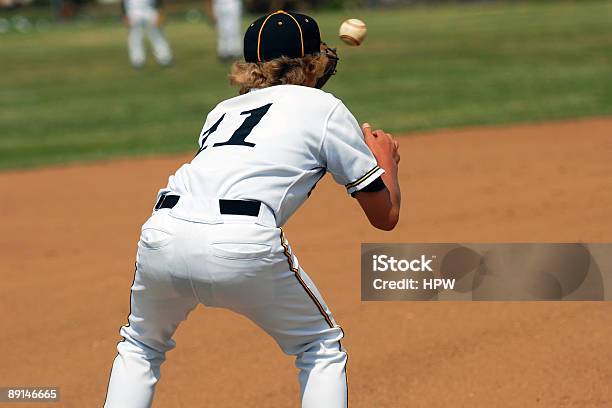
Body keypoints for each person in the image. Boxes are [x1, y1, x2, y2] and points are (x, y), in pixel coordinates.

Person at [103, 10, 400, 408]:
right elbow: (385, 217)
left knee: (139, 345)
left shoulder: (222, 111)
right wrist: (386, 165)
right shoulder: (324, 107)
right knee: (319, 346)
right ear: (314, 63)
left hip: (163, 230)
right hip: (241, 241)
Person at [122, 0, 173, 68]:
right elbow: (123, 2)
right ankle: (137, 60)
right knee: (135, 38)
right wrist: (124, 15)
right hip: (133, 11)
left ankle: (164, 58)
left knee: (157, 35)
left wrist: (160, 12)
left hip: (149, 10)